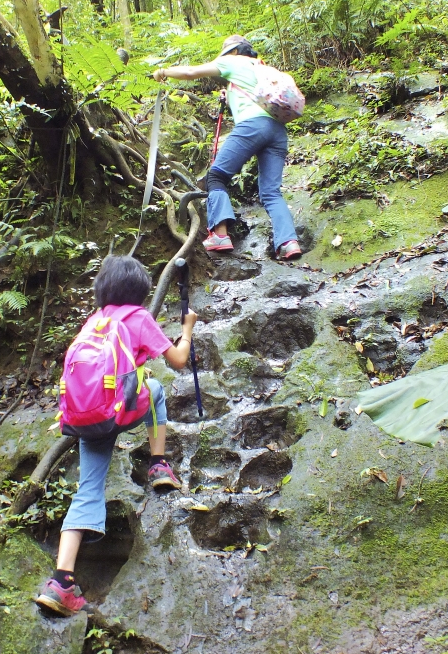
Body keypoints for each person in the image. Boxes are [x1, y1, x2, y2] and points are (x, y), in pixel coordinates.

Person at [35, 254, 197, 616]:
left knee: (88, 487)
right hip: (120, 412)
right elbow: (178, 360)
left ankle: (61, 581)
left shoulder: (95, 320)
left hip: (86, 418)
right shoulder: (139, 317)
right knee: (154, 388)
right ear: (140, 291)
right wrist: (186, 329)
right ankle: (158, 465)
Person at [154, 35, 302, 260]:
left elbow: (191, 73)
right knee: (271, 192)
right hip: (278, 132)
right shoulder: (262, 68)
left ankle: (220, 235)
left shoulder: (233, 61)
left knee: (216, 177)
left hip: (253, 127)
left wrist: (163, 72)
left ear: (233, 51)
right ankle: (289, 242)